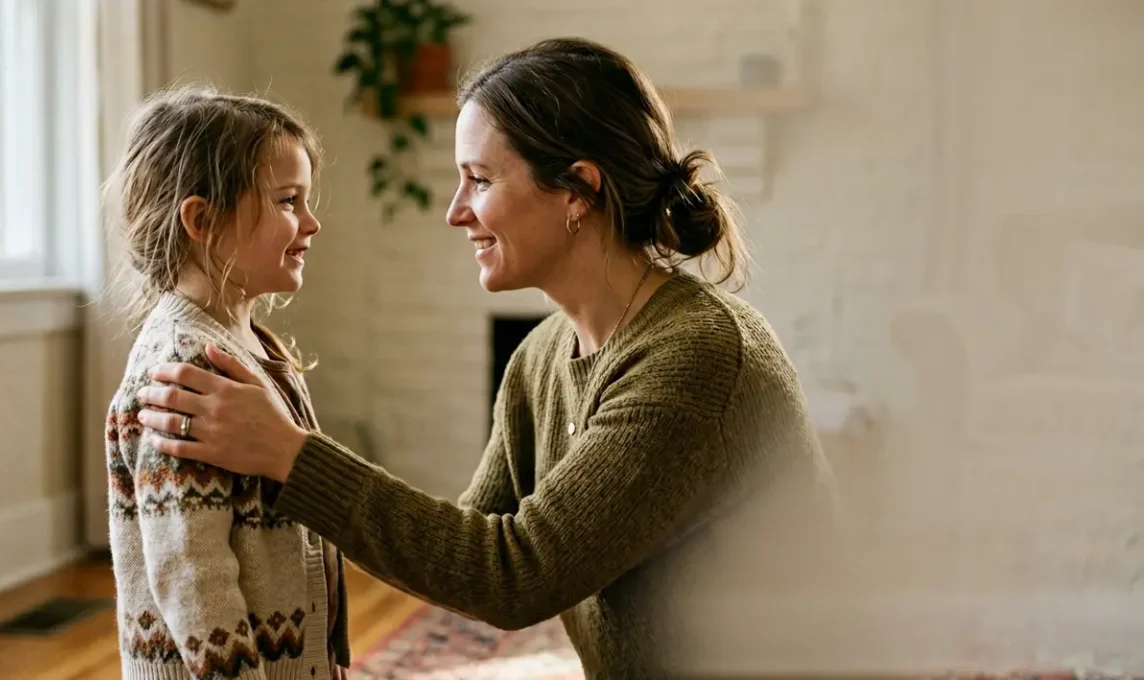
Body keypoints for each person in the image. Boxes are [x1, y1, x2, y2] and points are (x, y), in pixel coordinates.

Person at [135, 39, 839, 679]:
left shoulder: (698, 361)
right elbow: (464, 556)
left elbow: (512, 578)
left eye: (479, 179)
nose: (455, 211)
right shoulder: (541, 359)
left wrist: (293, 456)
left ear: (578, 191)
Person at [103, 87, 349, 680]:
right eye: (289, 201)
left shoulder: (253, 345)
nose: (311, 223)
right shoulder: (184, 370)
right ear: (203, 220)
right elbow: (190, 569)